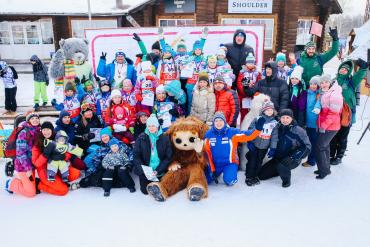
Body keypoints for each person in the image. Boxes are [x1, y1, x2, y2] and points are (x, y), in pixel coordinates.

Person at [204, 112, 264, 186]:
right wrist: (212, 169)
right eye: (216, 121)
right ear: (213, 123)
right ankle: (217, 173)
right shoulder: (208, 134)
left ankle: (230, 173)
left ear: (224, 122)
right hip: (215, 164)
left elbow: (247, 135)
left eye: (221, 121)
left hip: (229, 163)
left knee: (230, 181)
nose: (218, 123)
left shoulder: (232, 132)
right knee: (205, 180)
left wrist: (257, 130)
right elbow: (207, 153)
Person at [259, 109, 311, 187]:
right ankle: (279, 170)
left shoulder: (299, 130)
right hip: (278, 157)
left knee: (283, 165)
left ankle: (286, 180)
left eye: (287, 117)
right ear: (280, 118)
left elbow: (307, 146)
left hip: (292, 159)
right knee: (261, 175)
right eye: (283, 117)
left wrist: (293, 157)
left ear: (292, 118)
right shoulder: (276, 128)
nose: (285, 120)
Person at [330, 59, 368, 165]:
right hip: (334, 112)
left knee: (343, 135)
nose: (343, 70)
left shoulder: (351, 82)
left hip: (346, 113)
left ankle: (339, 156)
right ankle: (331, 154)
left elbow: (359, 76)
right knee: (333, 135)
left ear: (348, 71)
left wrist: (363, 68)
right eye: (341, 68)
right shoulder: (334, 80)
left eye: (345, 69)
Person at [31, 121, 80, 196]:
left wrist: (64, 156)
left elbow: (68, 149)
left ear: (52, 130)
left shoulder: (57, 138)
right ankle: (39, 184)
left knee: (76, 174)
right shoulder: (38, 143)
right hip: (45, 170)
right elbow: (36, 163)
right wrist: (45, 155)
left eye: (48, 129)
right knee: (63, 190)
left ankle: (59, 180)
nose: (46, 132)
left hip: (59, 166)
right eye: (44, 130)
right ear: (41, 131)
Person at [133, 114, 173, 195]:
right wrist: (143, 170)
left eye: (153, 125)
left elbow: (168, 157)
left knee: (164, 189)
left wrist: (158, 171)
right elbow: (136, 155)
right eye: (149, 126)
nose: (151, 128)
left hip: (159, 170)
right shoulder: (141, 137)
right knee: (145, 191)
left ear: (157, 126)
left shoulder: (165, 138)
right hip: (146, 171)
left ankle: (158, 183)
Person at [5, 112, 40, 197]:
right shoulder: (24, 133)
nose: (35, 120)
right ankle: (10, 183)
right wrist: (28, 169)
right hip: (23, 167)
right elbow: (20, 154)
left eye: (37, 118)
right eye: (32, 118)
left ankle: (24, 182)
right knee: (31, 193)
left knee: (33, 188)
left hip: (32, 166)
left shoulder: (38, 131)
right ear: (28, 121)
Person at [315, 75, 343, 179]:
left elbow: (333, 113)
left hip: (330, 126)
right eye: (321, 83)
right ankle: (325, 168)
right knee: (325, 146)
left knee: (320, 147)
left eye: (326, 82)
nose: (323, 84)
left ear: (330, 83)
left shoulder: (335, 94)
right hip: (326, 125)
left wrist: (324, 125)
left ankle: (324, 171)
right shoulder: (325, 93)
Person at [245, 100, 278, 186]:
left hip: (264, 147)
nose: (269, 111)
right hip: (255, 144)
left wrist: (273, 148)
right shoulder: (258, 119)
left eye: (271, 110)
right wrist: (250, 141)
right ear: (263, 110)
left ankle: (255, 175)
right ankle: (249, 176)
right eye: (267, 110)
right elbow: (250, 130)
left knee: (259, 161)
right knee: (252, 160)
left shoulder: (274, 123)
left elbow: (274, 137)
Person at [236, 52, 262, 122]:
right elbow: (239, 83)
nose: (250, 65)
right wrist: (245, 90)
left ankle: (253, 130)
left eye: (252, 63)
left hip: (254, 96)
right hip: (244, 97)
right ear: (246, 63)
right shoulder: (242, 72)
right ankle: (243, 129)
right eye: (249, 63)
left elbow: (259, 83)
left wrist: (254, 91)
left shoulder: (257, 73)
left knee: (254, 114)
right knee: (244, 115)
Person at [303, 75, 321, 167]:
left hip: (314, 123)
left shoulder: (319, 94)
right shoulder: (307, 92)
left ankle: (311, 161)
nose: (313, 86)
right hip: (306, 121)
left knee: (313, 142)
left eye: (315, 84)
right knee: (307, 140)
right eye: (311, 84)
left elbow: (319, 104)